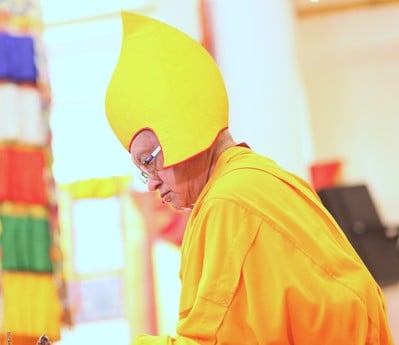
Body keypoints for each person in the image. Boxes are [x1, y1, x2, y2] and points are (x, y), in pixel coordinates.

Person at [105, 11, 394, 345]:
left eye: (149, 161)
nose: (152, 183)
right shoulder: (262, 177)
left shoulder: (228, 203)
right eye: (143, 173)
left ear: (182, 129)